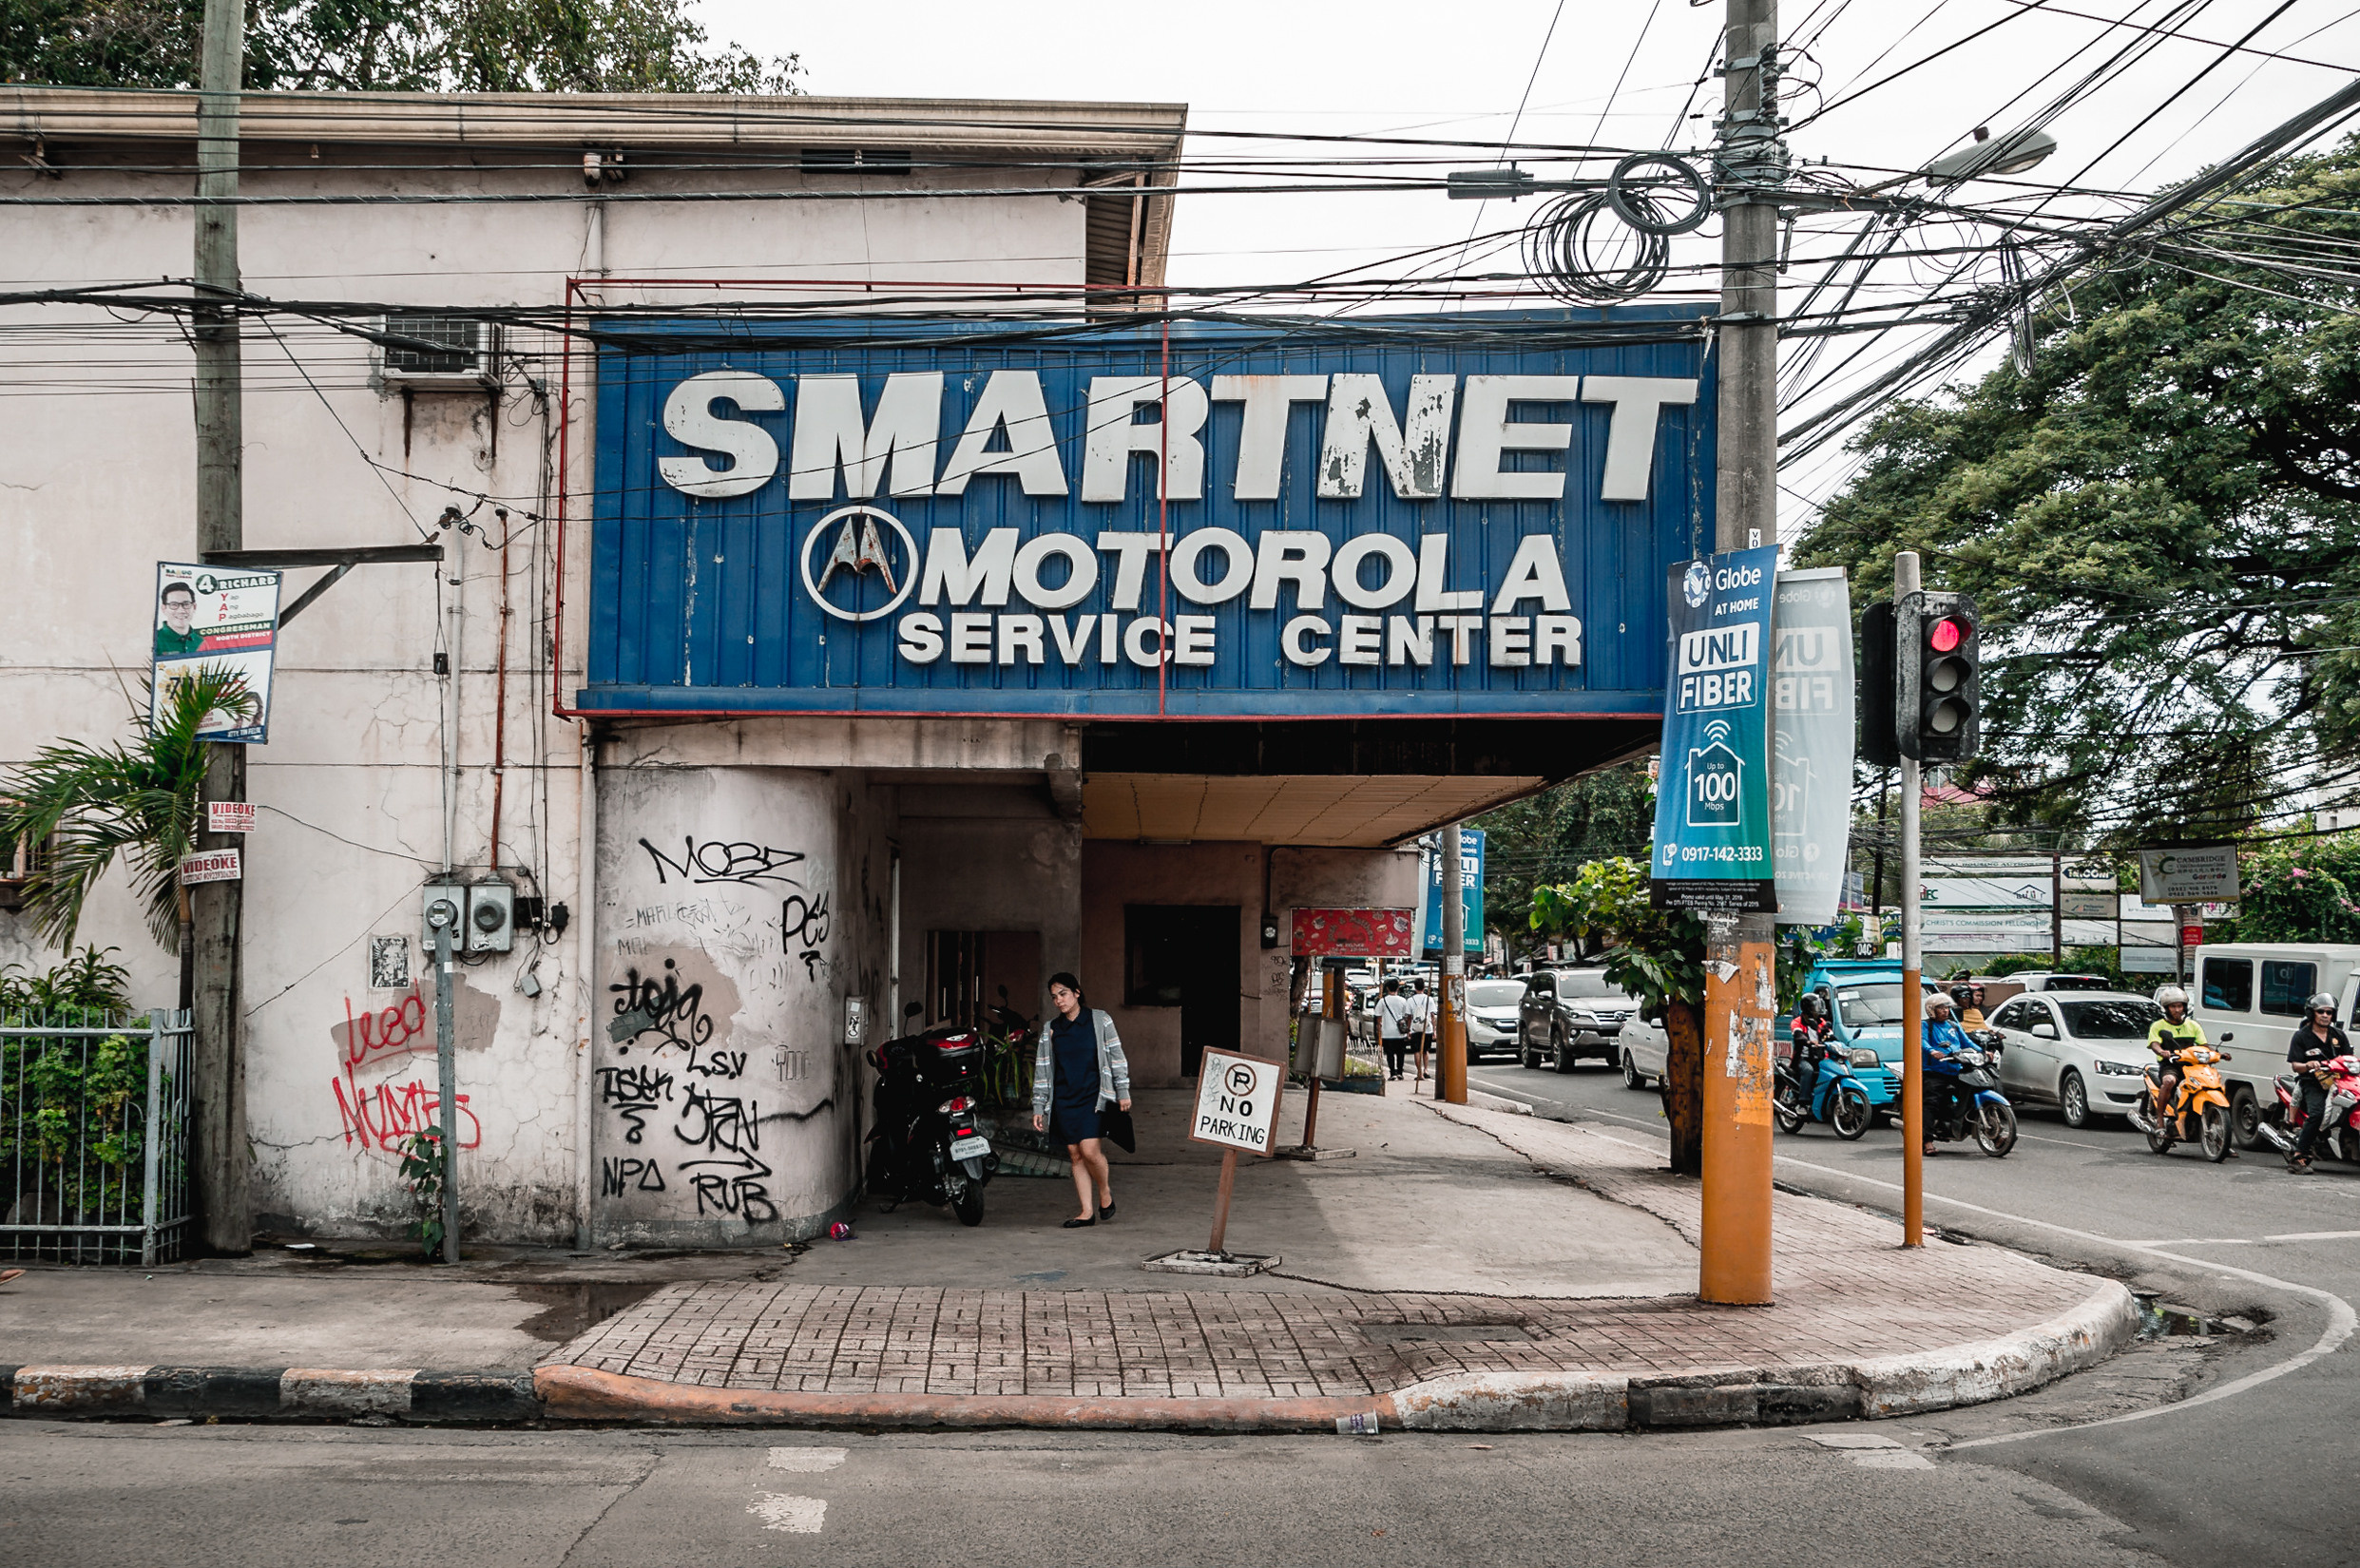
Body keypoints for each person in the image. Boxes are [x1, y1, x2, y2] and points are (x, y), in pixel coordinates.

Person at [1030, 972, 1132, 1227]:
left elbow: (1116, 1056)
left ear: (1077, 992)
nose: (1059, 1001)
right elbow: (1042, 1068)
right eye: (1054, 997)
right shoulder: (1051, 1029)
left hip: (1093, 1097)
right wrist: (1039, 1105)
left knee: (1090, 1151)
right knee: (1075, 1155)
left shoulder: (1099, 1020)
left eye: (1063, 994)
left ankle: (1105, 1191)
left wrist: (1123, 1091)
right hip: (1064, 1099)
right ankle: (1086, 1212)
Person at [2284, 992, 2351, 1174]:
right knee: (2317, 1113)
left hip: (2338, 1082)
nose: (2325, 1015)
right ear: (2312, 1013)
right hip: (2311, 1082)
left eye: (2329, 1012)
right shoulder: (2301, 1036)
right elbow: (2295, 1066)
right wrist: (2308, 1065)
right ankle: (2299, 1157)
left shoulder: (2339, 1036)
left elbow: (2348, 1058)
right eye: (2321, 1011)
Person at [2144, 984, 2206, 1132]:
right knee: (2169, 1081)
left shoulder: (2193, 1025)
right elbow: (2154, 1044)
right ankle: (2160, 1119)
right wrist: (2162, 1052)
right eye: (2173, 1006)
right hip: (2170, 1065)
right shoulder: (2158, 1026)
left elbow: (2204, 1045)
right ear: (2166, 1008)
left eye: (2180, 1006)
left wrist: (2218, 1054)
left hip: (2192, 1065)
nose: (2177, 1010)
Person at [1921, 992, 1973, 1155]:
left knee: (1972, 1092)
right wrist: (1932, 1051)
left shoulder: (1953, 1026)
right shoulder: (1925, 1025)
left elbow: (1967, 1042)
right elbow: (1920, 1040)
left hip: (1956, 1069)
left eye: (1947, 1008)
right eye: (1941, 1008)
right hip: (1934, 1071)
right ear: (1931, 1010)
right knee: (1931, 1103)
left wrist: (1984, 1052)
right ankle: (1927, 1141)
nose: (1945, 1011)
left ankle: (1994, 1136)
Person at [1789, 991, 1835, 1112]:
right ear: (1807, 1008)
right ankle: (1803, 1103)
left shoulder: (1820, 1022)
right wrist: (1808, 1042)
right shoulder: (1797, 1022)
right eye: (1815, 1007)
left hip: (1818, 1057)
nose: (1818, 1009)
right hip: (1801, 1058)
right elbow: (1798, 1036)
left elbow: (1830, 1035)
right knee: (1808, 1070)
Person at [1377, 977, 1413, 1080]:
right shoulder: (1403, 1000)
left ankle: (1392, 1072)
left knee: (1390, 1054)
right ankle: (1400, 1072)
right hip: (1400, 1033)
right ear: (1397, 988)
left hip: (1387, 1032)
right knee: (1400, 1053)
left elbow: (1378, 1017)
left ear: (1387, 988)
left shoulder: (1382, 1001)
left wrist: (1379, 1030)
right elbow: (1406, 1016)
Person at [154, 581, 203, 658]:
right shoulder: (154, 640)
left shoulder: (202, 641)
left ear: (194, 607)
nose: (181, 611)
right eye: (174, 605)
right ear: (164, 609)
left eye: (186, 604)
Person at [1408, 979, 1434, 1081]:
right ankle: (1426, 1070)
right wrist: (1434, 1030)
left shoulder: (1410, 1000)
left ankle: (1419, 1072)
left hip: (1415, 1028)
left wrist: (1408, 1030)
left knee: (1417, 1051)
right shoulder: (1429, 999)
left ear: (1415, 987)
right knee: (1426, 1050)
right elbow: (1432, 1016)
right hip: (1427, 1028)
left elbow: (1409, 1017)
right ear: (1424, 987)